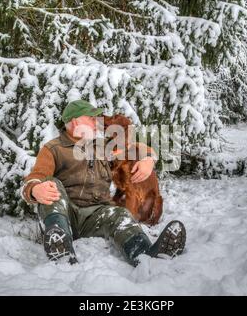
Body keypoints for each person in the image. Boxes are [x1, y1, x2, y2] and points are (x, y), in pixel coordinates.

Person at [21, 99, 186, 266]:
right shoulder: (53, 148)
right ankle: (61, 248)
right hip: (66, 215)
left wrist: (149, 159)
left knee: (119, 215)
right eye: (91, 118)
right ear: (76, 120)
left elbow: (136, 147)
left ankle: (145, 255)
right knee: (50, 184)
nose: (96, 122)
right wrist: (35, 189)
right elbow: (37, 176)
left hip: (96, 216)